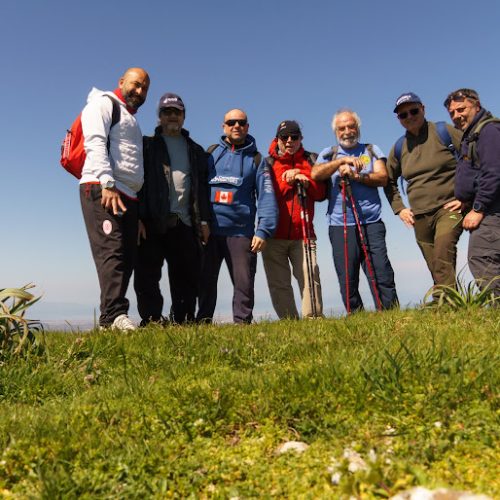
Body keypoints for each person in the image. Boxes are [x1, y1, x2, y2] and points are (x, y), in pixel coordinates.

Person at [80, 68, 150, 330]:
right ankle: (113, 316)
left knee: (126, 254)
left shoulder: (131, 118)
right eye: (135, 84)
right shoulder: (103, 104)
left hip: (128, 196)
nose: (139, 91)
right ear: (122, 82)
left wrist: (138, 213)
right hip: (103, 188)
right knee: (112, 251)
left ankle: (111, 317)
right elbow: (94, 142)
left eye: (144, 88)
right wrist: (107, 183)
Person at [134, 93, 211, 325]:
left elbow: (202, 190)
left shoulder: (195, 150)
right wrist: (136, 217)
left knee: (186, 276)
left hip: (185, 222)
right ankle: (152, 319)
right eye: (167, 112)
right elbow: (136, 183)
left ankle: (184, 319)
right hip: (151, 220)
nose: (172, 116)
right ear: (159, 117)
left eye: (177, 112)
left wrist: (204, 221)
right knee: (147, 276)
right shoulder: (147, 145)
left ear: (184, 116)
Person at [312, 109, 398, 312]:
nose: (347, 131)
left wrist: (356, 176)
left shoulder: (370, 149)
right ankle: (356, 316)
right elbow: (315, 174)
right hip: (339, 223)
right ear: (336, 131)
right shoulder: (328, 153)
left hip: (371, 221)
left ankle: (390, 314)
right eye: (342, 128)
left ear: (357, 128)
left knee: (380, 271)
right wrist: (341, 162)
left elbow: (382, 177)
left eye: (351, 126)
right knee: (347, 275)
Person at [196, 108, 277, 324]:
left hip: (241, 233)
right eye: (231, 122)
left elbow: (267, 197)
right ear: (224, 126)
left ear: (247, 127)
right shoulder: (210, 154)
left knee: (244, 283)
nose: (236, 126)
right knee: (205, 281)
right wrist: (201, 222)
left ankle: (242, 326)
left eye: (241, 122)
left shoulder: (257, 159)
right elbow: (199, 191)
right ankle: (202, 323)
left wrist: (263, 230)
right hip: (210, 231)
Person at [385, 92, 463, 290]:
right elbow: (388, 180)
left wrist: (467, 196)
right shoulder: (399, 147)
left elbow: (473, 158)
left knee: (443, 251)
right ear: (398, 119)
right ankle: (450, 300)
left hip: (449, 208)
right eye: (403, 115)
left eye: (413, 111)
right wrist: (400, 208)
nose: (409, 117)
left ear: (423, 109)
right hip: (419, 215)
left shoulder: (443, 131)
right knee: (434, 263)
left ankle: (446, 303)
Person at [262, 120, 325, 319]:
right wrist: (287, 181)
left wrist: (302, 176)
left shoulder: (312, 159)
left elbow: (322, 193)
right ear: (277, 139)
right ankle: (289, 322)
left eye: (294, 137)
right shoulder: (267, 163)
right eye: (284, 137)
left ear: (301, 139)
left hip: (304, 233)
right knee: (279, 282)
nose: (289, 141)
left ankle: (313, 319)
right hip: (273, 234)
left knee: (310, 274)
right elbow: (264, 194)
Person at [444, 88, 500, 298]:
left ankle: (497, 311)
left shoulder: (489, 131)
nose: (457, 116)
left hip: (491, 209)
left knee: (482, 257)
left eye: (461, 109)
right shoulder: (474, 134)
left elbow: (494, 171)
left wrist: (478, 208)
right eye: (452, 113)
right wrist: (466, 200)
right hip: (485, 205)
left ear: (476, 105)